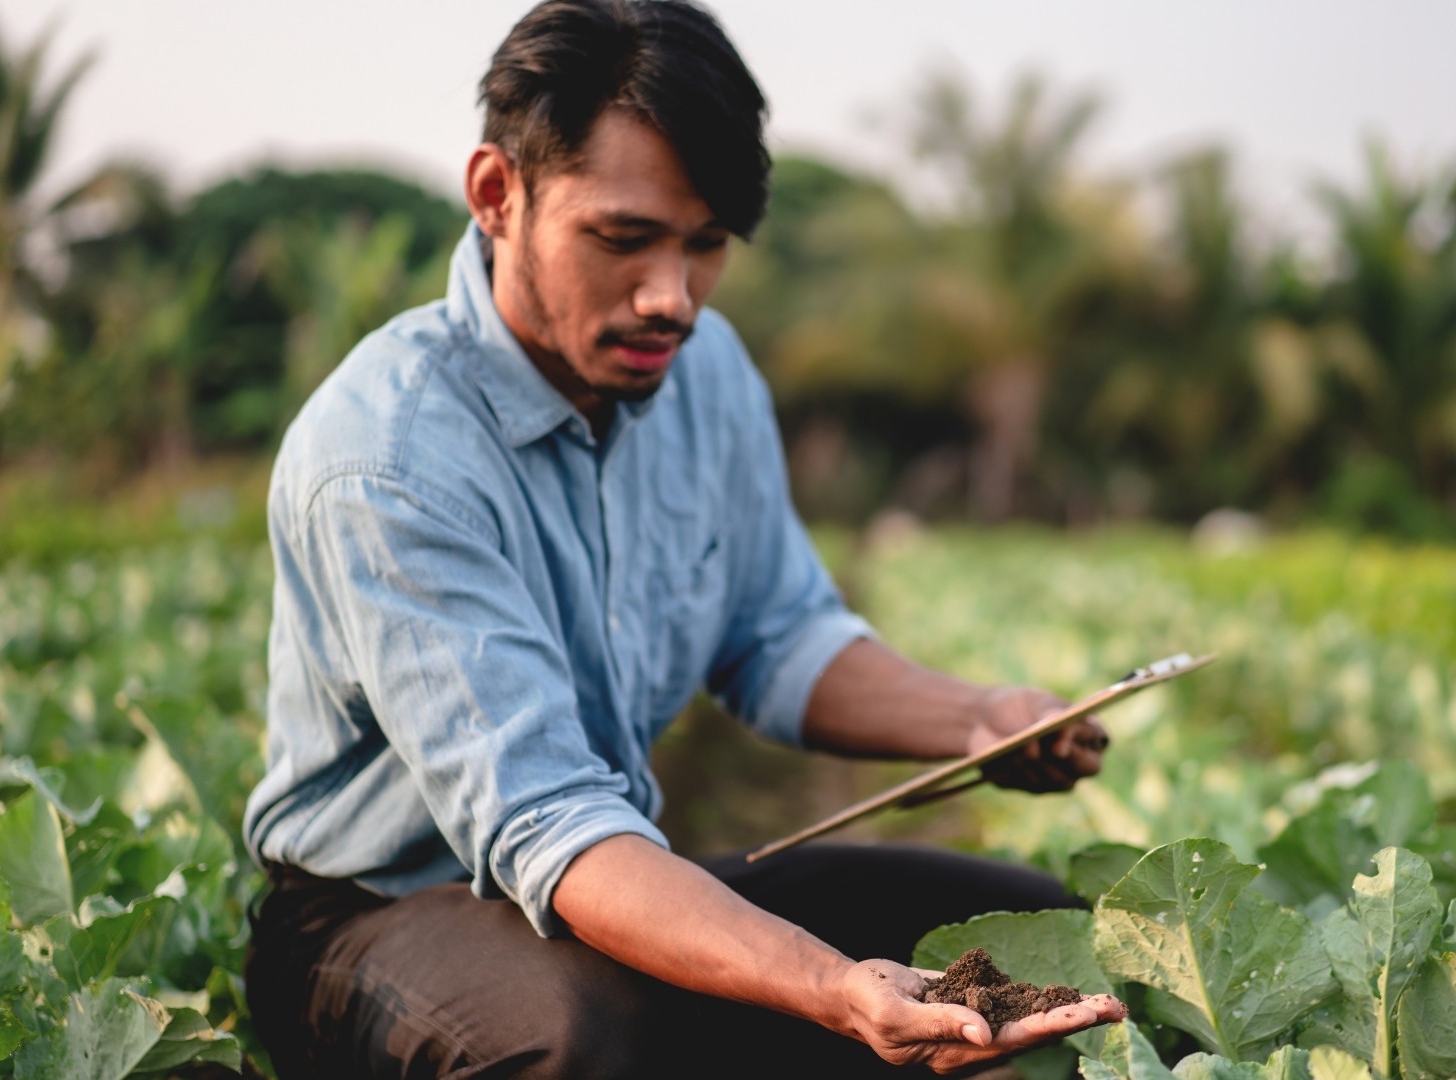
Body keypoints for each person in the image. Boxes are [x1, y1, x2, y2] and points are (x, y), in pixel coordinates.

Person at [239, 1, 1126, 1076]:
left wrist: (979, 719)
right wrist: (825, 987)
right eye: (621, 239)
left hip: (609, 865)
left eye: (706, 245)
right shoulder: (385, 454)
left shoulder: (705, 375)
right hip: (372, 922)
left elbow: (778, 633)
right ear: (495, 196)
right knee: (585, 1034)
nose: (672, 297)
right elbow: (549, 822)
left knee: (1049, 931)